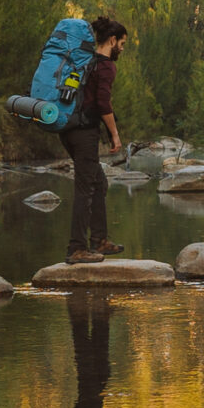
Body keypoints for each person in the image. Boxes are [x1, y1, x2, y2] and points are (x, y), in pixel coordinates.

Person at [64, 13, 129, 264]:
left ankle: (99, 241)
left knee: (98, 183)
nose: (121, 50)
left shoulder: (85, 61)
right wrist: (114, 134)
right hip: (83, 131)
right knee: (86, 188)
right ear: (112, 40)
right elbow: (103, 103)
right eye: (121, 44)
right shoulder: (104, 65)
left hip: (69, 129)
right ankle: (76, 248)